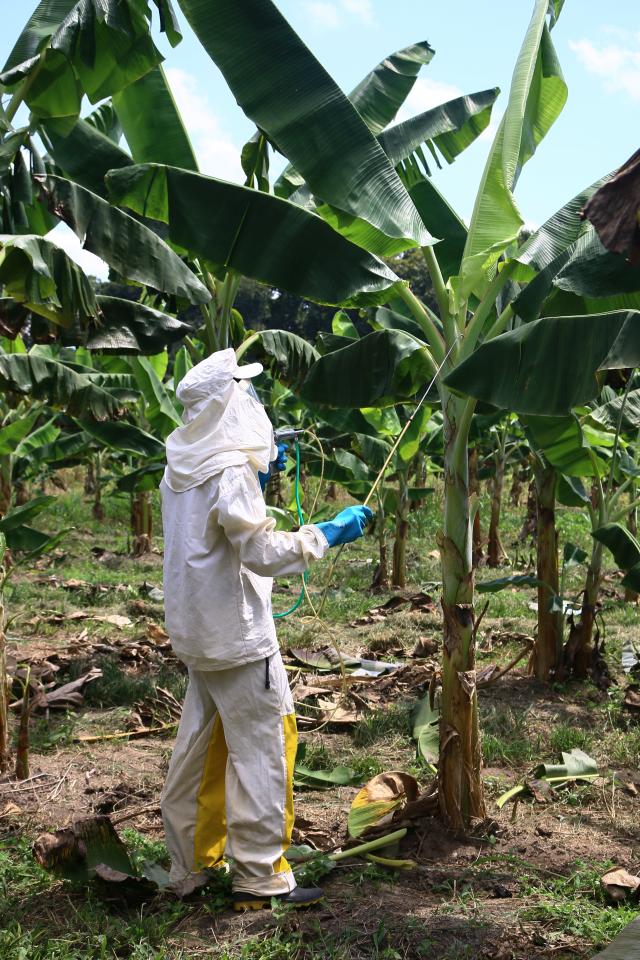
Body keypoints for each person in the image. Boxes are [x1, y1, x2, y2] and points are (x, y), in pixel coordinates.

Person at [160, 348, 372, 909]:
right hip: (238, 639)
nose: (251, 401)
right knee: (262, 750)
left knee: (199, 750)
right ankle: (259, 876)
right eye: (244, 393)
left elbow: (212, 530)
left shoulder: (182, 462)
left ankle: (189, 865)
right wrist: (325, 534)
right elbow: (258, 552)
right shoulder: (228, 472)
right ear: (226, 403)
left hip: (198, 636)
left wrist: (257, 475)